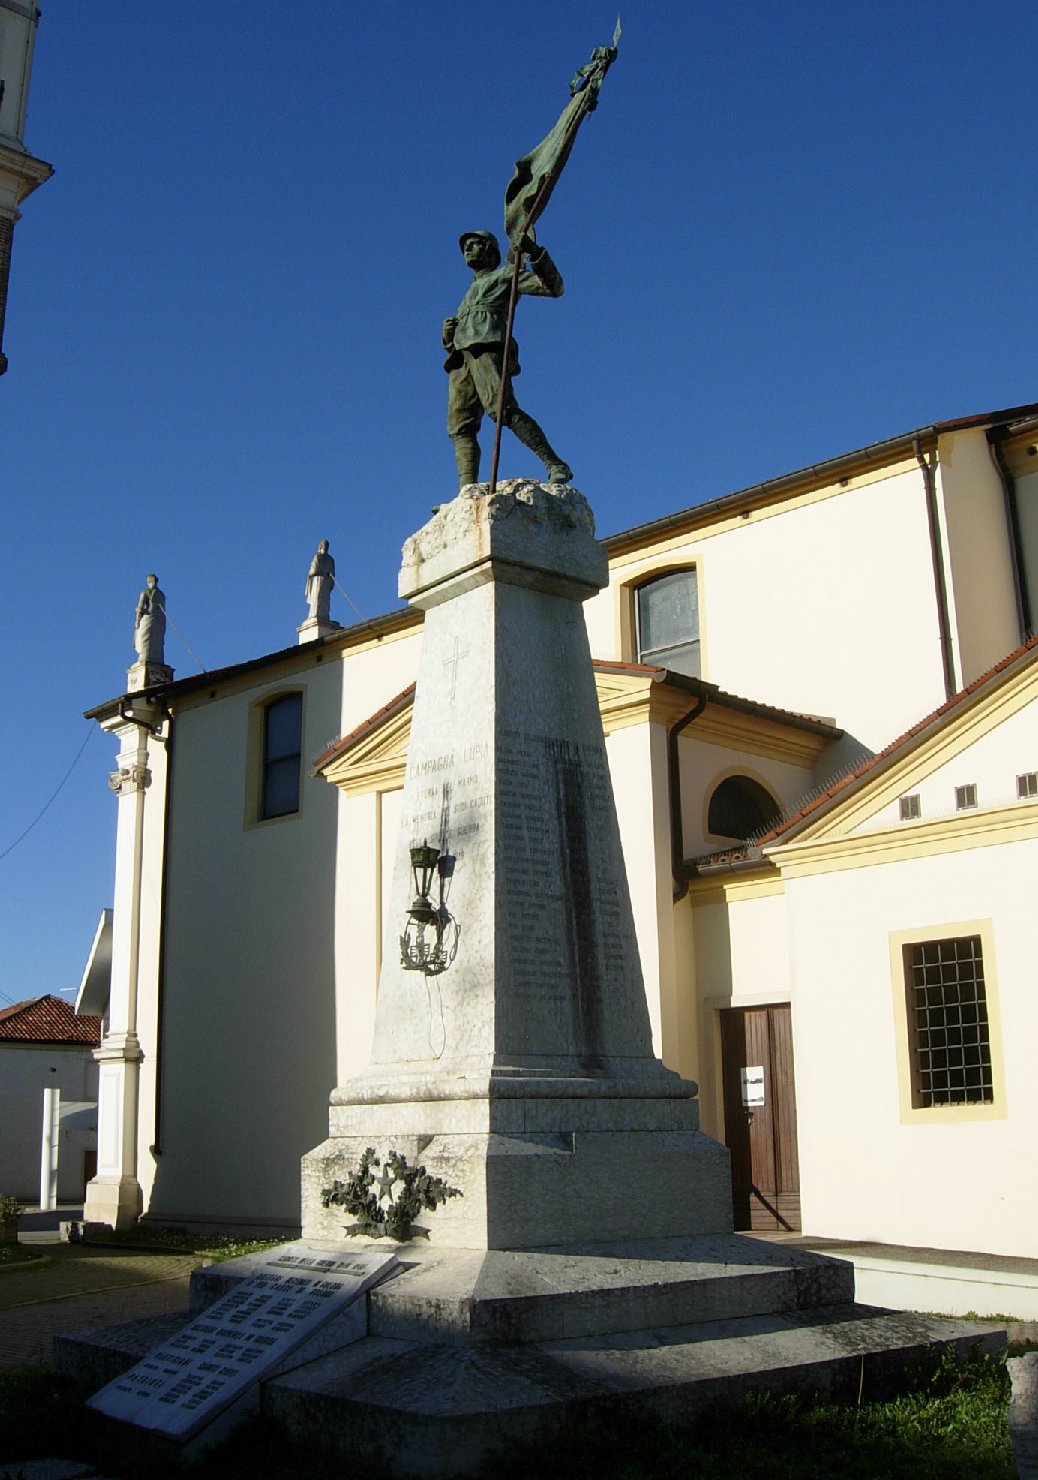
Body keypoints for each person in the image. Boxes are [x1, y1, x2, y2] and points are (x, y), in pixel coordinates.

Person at [443, 229, 573, 490]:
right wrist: (448, 336)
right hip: (462, 357)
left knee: (501, 409)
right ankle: (467, 490)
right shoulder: (468, 291)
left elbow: (553, 287)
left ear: (491, 250)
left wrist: (535, 253)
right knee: (460, 425)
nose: (468, 249)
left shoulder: (505, 275)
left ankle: (555, 464)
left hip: (487, 346)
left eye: (475, 244)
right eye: (465, 246)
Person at [133, 573, 166, 666]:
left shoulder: (145, 592)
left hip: (149, 618)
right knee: (156, 639)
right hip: (160, 620)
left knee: (145, 637)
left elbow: (140, 608)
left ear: (149, 581)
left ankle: (144, 657)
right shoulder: (162, 595)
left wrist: (137, 621)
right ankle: (156, 659)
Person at [305, 539, 335, 622]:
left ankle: (323, 616)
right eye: (325, 545)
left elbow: (332, 572)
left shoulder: (330, 559)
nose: (326, 547)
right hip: (318, 581)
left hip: (325, 582)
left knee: (324, 600)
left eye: (327, 545)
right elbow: (313, 571)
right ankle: (315, 615)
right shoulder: (318, 557)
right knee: (317, 597)